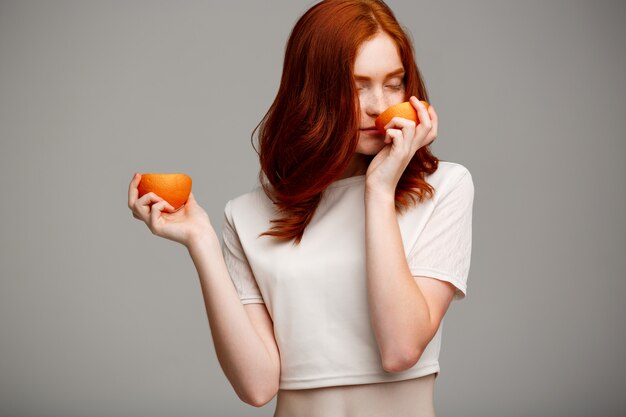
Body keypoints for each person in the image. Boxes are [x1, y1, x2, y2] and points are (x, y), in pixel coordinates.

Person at [128, 1, 474, 415]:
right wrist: (200, 240)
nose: (378, 105)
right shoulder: (248, 214)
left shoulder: (444, 188)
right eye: (356, 85)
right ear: (313, 91)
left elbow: (401, 349)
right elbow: (257, 387)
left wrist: (379, 189)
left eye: (394, 83)